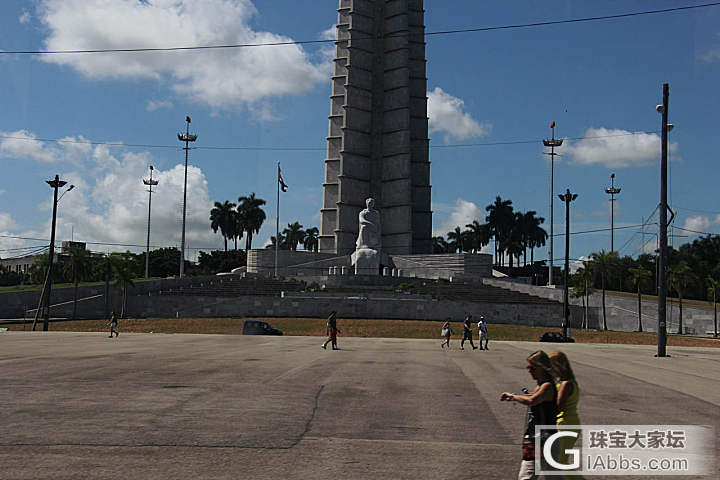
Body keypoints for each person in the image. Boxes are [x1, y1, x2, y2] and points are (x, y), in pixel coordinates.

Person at [500, 350, 558, 480]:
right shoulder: (540, 386)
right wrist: (512, 396)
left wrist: (514, 397)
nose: (529, 370)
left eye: (532, 367)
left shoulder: (547, 386)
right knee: (527, 475)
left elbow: (532, 400)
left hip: (546, 439)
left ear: (542, 368)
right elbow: (531, 396)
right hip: (534, 439)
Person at [549, 351, 585, 478]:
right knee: (561, 462)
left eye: (551, 366)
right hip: (570, 423)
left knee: (560, 463)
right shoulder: (568, 382)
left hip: (565, 424)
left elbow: (559, 406)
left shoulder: (565, 384)